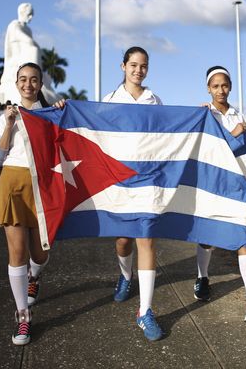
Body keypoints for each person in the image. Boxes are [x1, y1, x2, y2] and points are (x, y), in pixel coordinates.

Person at [194, 65, 246, 322]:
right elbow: (210, 152)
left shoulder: (241, 116)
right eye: (215, 86)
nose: (221, 90)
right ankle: (202, 278)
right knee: (207, 237)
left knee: (243, 238)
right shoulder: (204, 115)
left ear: (230, 86)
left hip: (238, 186)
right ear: (208, 88)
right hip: (212, 184)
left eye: (225, 85)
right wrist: (233, 133)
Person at [0, 62, 62, 345]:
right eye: (23, 79)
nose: (28, 84)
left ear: (40, 83)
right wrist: (8, 124)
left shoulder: (49, 115)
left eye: (33, 80)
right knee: (17, 251)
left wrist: (63, 112)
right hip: (12, 182)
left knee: (40, 253)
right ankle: (23, 317)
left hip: (41, 186)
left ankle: (35, 275)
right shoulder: (7, 116)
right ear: (16, 82)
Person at [102, 46, 164, 341]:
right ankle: (126, 276)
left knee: (146, 238)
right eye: (134, 65)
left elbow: (170, 134)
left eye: (144, 66)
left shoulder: (155, 100)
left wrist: (198, 116)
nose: (138, 70)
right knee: (124, 240)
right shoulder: (110, 100)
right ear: (123, 66)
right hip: (120, 179)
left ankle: (145, 312)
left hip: (148, 178)